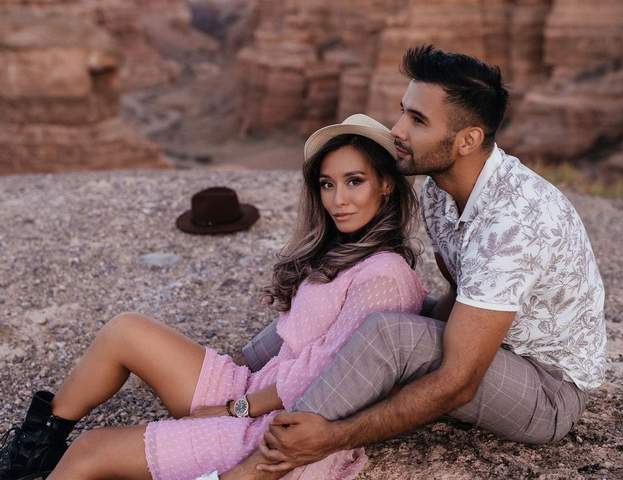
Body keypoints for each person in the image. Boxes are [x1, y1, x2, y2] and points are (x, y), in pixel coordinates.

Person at [220, 44, 607, 479]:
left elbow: (459, 383)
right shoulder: (440, 191)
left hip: (547, 388)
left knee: (391, 336)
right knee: (358, 290)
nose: (397, 130)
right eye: (403, 112)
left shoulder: (513, 223)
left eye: (418, 120)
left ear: (468, 140)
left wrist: (335, 435)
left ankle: (254, 466)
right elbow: (457, 289)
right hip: (489, 340)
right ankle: (235, 377)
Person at [0, 115, 426, 479]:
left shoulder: (385, 276)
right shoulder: (346, 251)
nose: (338, 200)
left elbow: (325, 377)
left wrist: (233, 408)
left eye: (355, 181)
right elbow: (289, 337)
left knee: (91, 450)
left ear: (387, 185)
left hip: (277, 422)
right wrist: (228, 374)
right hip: (259, 388)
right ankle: (35, 450)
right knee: (124, 330)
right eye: (327, 184)